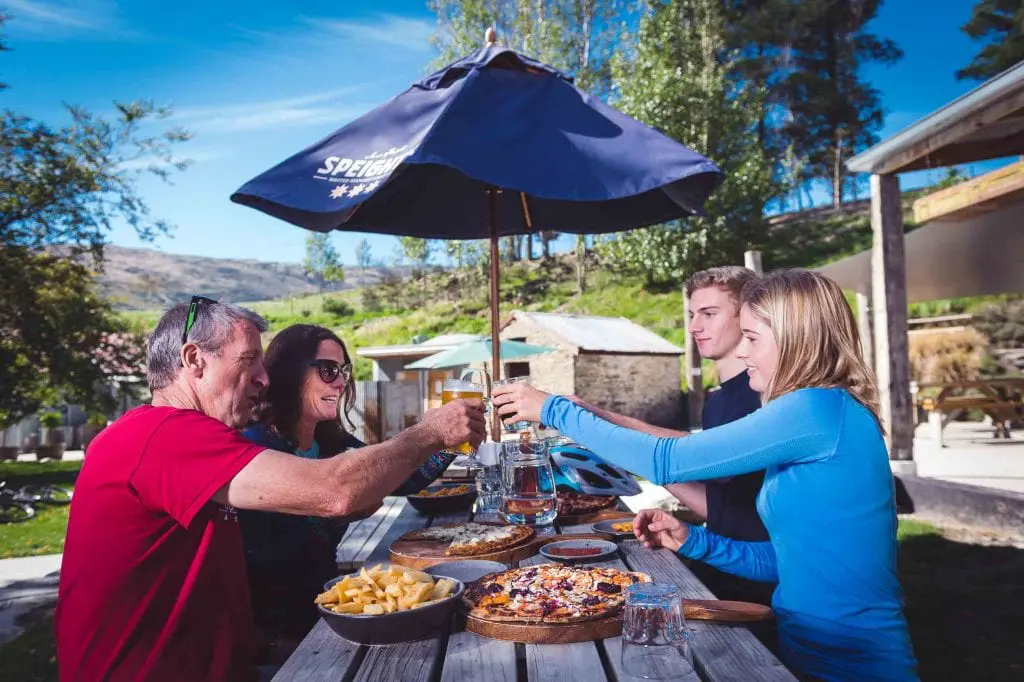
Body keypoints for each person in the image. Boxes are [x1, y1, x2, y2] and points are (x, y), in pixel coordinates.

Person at [493, 269, 918, 681]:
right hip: (802, 651)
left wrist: (554, 409)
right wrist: (694, 539)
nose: (744, 352)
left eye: (752, 338)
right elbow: (788, 561)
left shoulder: (816, 409)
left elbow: (666, 460)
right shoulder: (819, 413)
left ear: (794, 340)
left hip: (854, 660)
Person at [55, 299, 484, 682]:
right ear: (194, 359)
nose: (264, 378)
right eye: (249, 362)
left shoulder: (180, 437)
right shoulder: (164, 435)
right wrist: (430, 432)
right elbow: (334, 491)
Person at [239, 324, 460, 652]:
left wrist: (450, 442)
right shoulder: (256, 447)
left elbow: (402, 478)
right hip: (282, 636)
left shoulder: (330, 441)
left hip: (335, 611)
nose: (341, 381)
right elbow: (256, 562)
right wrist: (334, 512)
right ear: (289, 373)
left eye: (344, 370)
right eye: (328, 370)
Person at [561, 266, 772, 607]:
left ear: (746, 316)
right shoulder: (718, 400)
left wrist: (601, 424)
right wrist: (627, 464)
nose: (693, 327)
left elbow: (705, 465)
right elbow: (716, 491)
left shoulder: (762, 398)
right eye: (692, 314)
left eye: (709, 313)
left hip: (758, 579)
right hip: (718, 556)